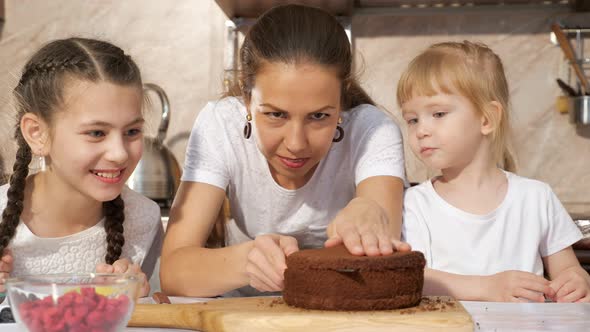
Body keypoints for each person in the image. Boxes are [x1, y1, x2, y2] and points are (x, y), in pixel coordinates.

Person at [161, 4, 409, 297]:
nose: (296, 144)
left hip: (341, 311)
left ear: (342, 103)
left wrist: (370, 210)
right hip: (242, 315)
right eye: (276, 115)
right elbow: (173, 272)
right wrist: (245, 262)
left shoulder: (373, 130)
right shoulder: (221, 123)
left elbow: (383, 266)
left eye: (319, 116)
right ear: (247, 100)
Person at [398, 41, 590, 302]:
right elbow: (412, 279)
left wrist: (577, 281)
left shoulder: (536, 198)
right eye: (413, 119)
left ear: (487, 119)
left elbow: (567, 270)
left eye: (438, 113)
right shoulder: (414, 204)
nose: (421, 130)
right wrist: (489, 288)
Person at [0, 37, 163, 297]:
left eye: (132, 131)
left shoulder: (143, 219)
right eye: (97, 133)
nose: (119, 153)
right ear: (37, 133)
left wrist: (139, 301)